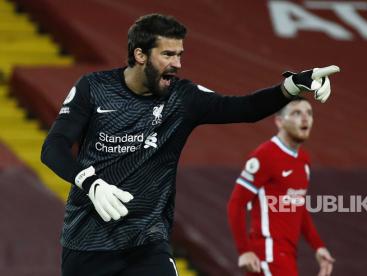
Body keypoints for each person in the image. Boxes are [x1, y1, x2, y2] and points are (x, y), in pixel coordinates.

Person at [41, 13, 340, 276]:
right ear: (141, 54)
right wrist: (91, 183)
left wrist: (293, 85)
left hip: (147, 244)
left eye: (180, 55)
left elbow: (245, 108)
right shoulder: (93, 88)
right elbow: (53, 148)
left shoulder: (182, 98)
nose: (177, 64)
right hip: (87, 245)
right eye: (168, 55)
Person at [227, 97, 335, 276]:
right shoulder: (265, 155)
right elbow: (236, 203)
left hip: (287, 256)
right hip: (267, 256)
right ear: (279, 122)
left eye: (309, 113)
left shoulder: (303, 160)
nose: (305, 118)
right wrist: (243, 250)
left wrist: (318, 246)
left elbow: (298, 207)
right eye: (296, 113)